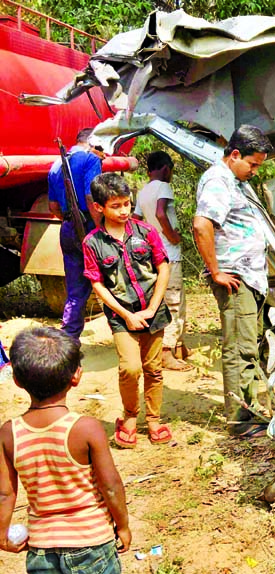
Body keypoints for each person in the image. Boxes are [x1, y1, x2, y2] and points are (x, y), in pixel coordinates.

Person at [0, 327, 130, 574]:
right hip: (91, 540)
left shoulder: (9, 433)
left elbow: (5, 493)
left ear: (18, 381)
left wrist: (2, 535)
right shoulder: (87, 429)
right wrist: (123, 525)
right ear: (77, 376)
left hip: (42, 545)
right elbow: (110, 485)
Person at [193, 125, 273, 438]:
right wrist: (216, 271)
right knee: (240, 348)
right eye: (252, 164)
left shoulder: (234, 180)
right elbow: (201, 226)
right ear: (235, 155)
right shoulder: (218, 179)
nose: (254, 171)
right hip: (234, 277)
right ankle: (241, 420)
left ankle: (253, 410)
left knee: (249, 345)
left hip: (248, 277)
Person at [82, 173, 173, 448]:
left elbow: (163, 267)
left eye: (126, 203)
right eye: (116, 206)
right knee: (130, 368)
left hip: (153, 310)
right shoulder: (92, 243)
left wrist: (154, 306)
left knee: (154, 368)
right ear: (99, 207)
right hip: (122, 316)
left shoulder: (146, 232)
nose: (124, 210)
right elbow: (97, 284)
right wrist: (126, 315)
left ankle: (154, 420)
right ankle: (130, 416)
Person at [133, 151, 192, 371]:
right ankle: (167, 351)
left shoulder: (143, 191)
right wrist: (172, 236)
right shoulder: (163, 187)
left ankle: (178, 345)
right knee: (174, 301)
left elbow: (136, 220)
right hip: (170, 253)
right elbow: (160, 213)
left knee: (169, 298)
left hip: (154, 253)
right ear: (166, 168)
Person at [47, 128, 105, 344]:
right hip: (88, 226)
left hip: (68, 227)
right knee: (111, 280)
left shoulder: (55, 165)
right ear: (93, 143)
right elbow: (91, 197)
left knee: (75, 290)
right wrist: (101, 230)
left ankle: (69, 341)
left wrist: (70, 218)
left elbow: (53, 206)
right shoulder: (91, 160)